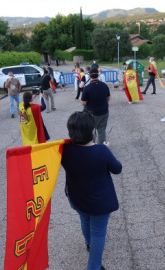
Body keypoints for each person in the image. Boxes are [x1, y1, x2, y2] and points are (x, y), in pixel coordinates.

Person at [61, 111, 122, 270]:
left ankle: (88, 243)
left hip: (76, 197)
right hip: (99, 203)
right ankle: (93, 266)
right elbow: (117, 169)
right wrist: (108, 150)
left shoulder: (64, 151)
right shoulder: (102, 151)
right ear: (91, 131)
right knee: (99, 234)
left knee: (84, 219)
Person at [81, 68, 111, 144]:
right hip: (104, 111)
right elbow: (108, 98)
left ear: (89, 76)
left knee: (90, 130)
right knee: (101, 130)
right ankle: (101, 147)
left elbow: (83, 103)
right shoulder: (104, 85)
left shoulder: (87, 88)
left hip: (91, 113)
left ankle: (91, 146)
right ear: (98, 75)